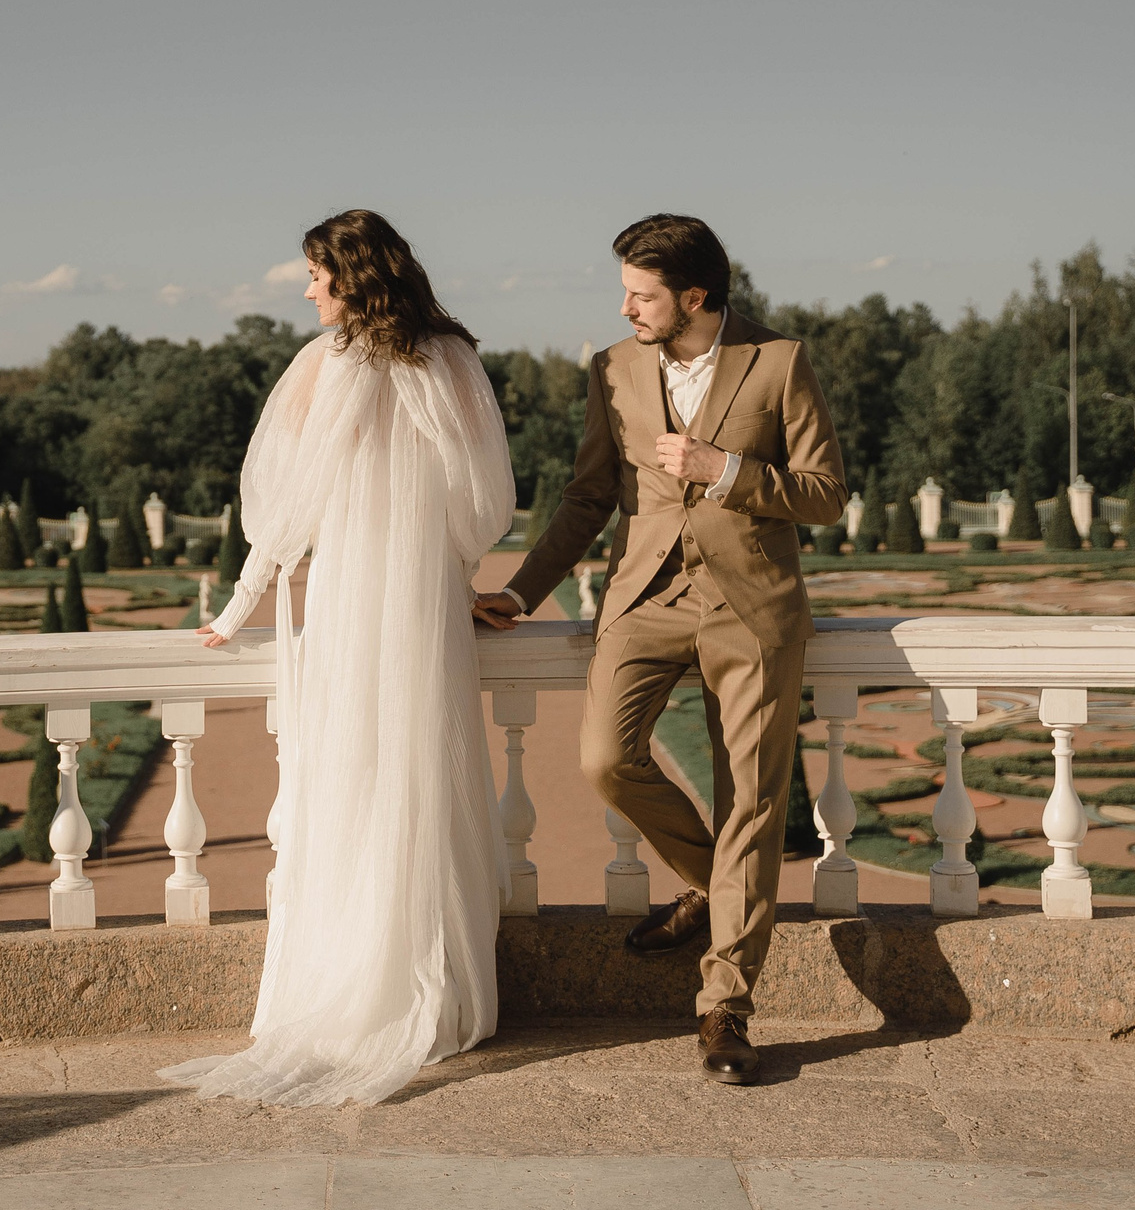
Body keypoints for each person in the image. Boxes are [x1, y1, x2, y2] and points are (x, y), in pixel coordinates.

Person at [475, 213, 844, 1084]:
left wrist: (724, 470)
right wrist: (522, 590)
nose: (626, 307)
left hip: (751, 606)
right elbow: (587, 495)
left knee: (752, 798)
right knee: (606, 758)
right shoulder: (614, 368)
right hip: (646, 596)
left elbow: (827, 494)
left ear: (695, 296)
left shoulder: (780, 361)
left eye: (642, 294)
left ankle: (725, 1008)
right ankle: (710, 881)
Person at [165, 209, 516, 1107]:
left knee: (354, 780)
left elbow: (285, 511)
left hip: (354, 597)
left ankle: (351, 980)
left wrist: (240, 603)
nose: (307, 287)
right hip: (427, 601)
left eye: (318, 273)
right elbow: (485, 504)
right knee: (421, 782)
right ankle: (430, 990)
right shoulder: (454, 360)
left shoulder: (324, 367)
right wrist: (451, 568)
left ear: (354, 275)